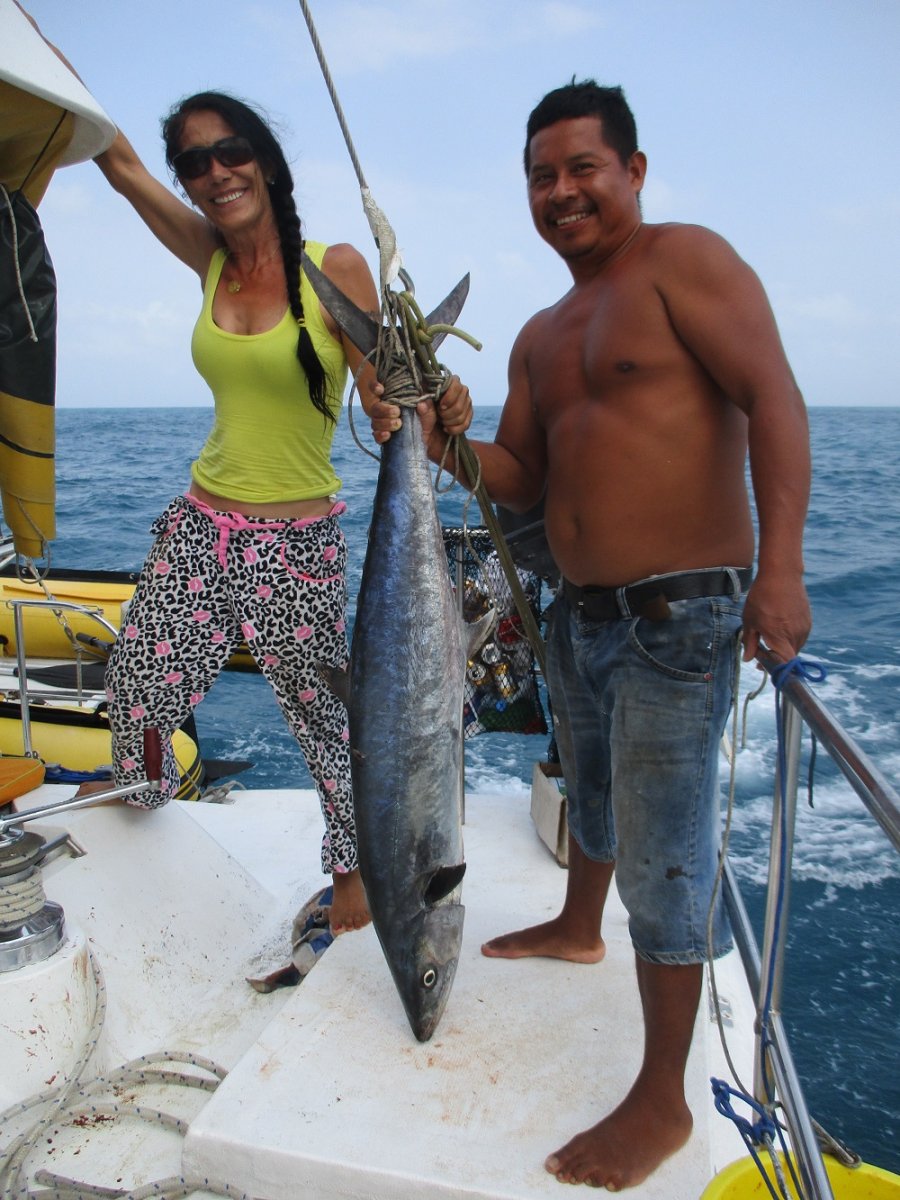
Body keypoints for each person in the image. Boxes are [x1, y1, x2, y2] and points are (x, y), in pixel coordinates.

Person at [371, 80, 811, 1189]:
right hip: (582, 617)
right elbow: (515, 481)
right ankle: (577, 923)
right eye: (540, 176)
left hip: (680, 615)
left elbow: (775, 398)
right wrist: (446, 431)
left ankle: (661, 1102)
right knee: (594, 794)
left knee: (665, 860)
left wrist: (787, 570)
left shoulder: (683, 264)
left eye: (582, 169)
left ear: (634, 171)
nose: (560, 193)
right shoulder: (539, 334)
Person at [18, 4, 387, 935]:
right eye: (194, 161)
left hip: (295, 543)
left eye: (228, 152)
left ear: (262, 158)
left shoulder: (334, 266)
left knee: (321, 722)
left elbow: (385, 404)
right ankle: (141, 786)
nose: (212, 173)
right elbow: (116, 162)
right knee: (141, 678)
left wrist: (398, 405)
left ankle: (353, 880)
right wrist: (36, 51)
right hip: (200, 521)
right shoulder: (211, 261)